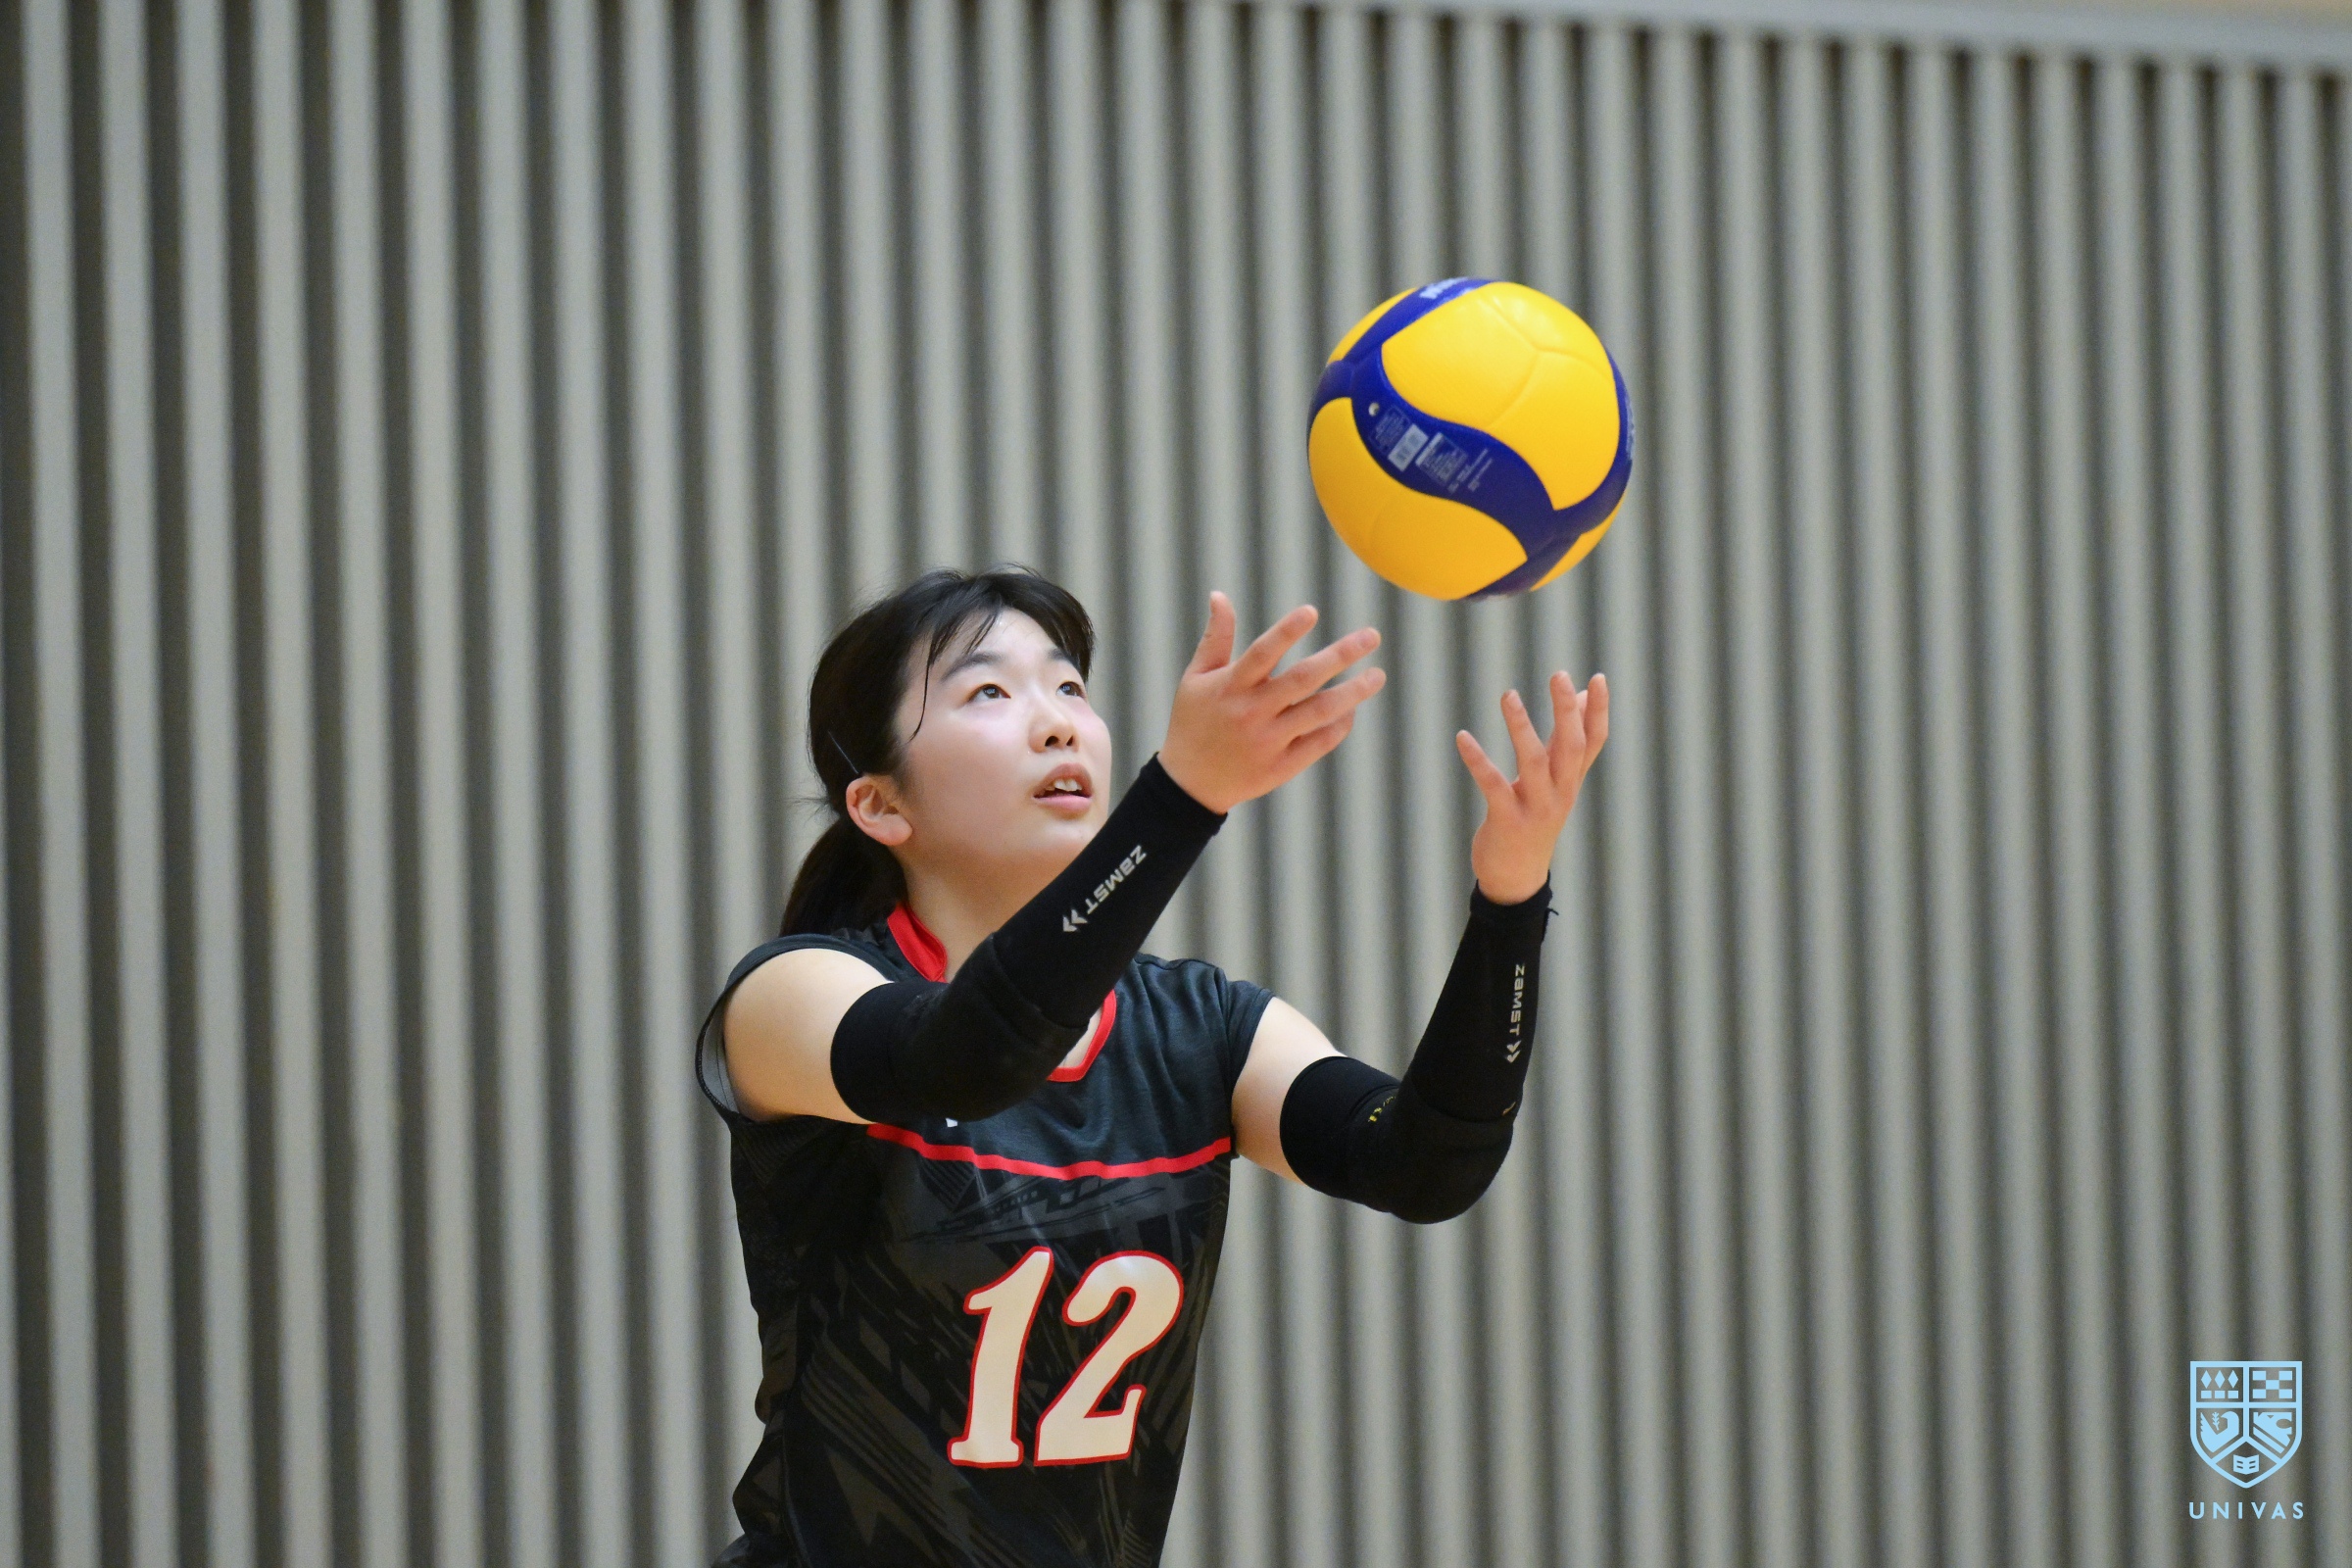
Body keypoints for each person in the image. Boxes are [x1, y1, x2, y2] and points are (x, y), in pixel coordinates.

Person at [698, 567, 1607, 1567]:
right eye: (987, 691)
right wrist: (1181, 796)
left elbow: (1425, 1164)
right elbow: (966, 1057)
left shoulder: (1195, 1029)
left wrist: (1510, 903)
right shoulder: (792, 994)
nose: (1057, 722)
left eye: (1069, 687)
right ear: (879, 805)